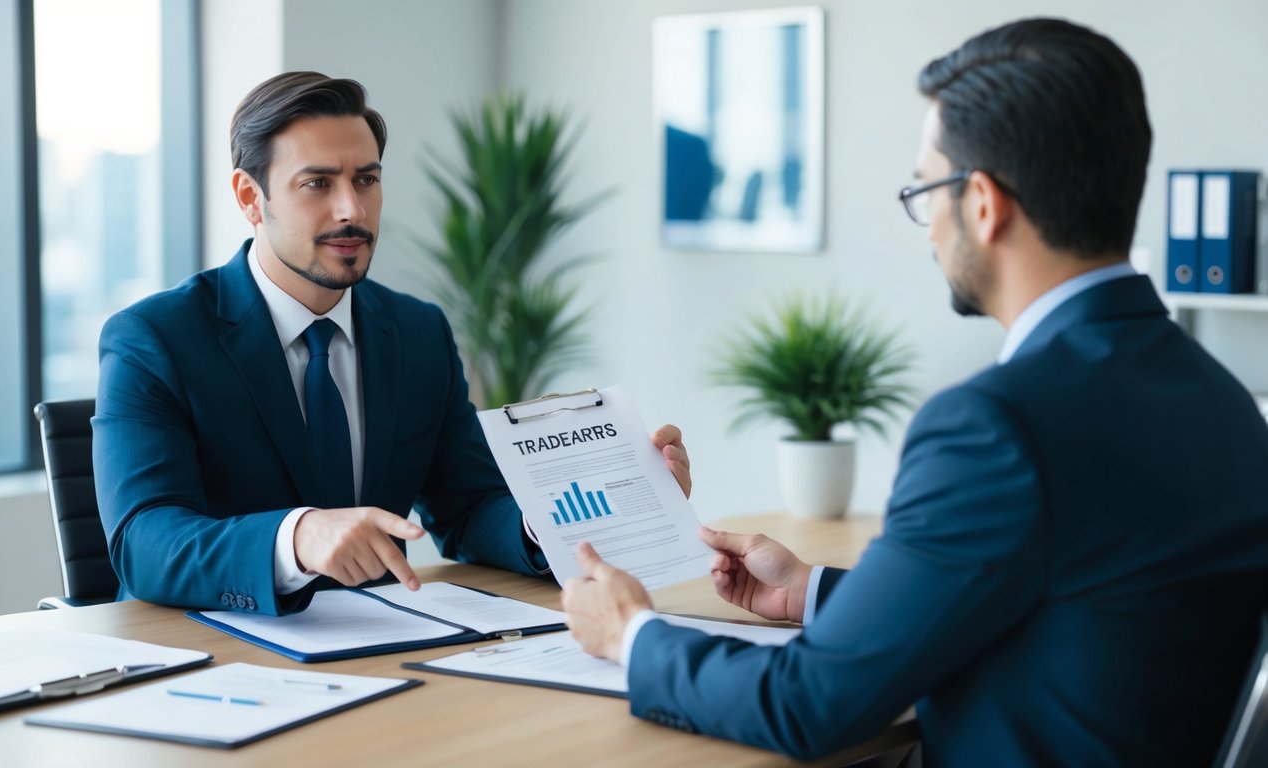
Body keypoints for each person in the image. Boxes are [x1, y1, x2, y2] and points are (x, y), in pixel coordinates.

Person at [562, 18, 1268, 765]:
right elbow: (1068, 606)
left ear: (983, 204)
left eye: (925, 188)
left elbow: (807, 704)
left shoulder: (995, 426)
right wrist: (813, 592)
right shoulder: (1224, 403)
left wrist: (632, 634)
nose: (926, 225)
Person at [92, 71, 691, 615]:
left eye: (366, 179)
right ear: (251, 197)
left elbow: (466, 505)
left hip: (382, 650)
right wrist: (296, 537)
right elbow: (144, 542)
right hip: (216, 652)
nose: (351, 209)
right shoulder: (154, 339)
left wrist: (564, 522)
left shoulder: (417, 332)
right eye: (317, 184)